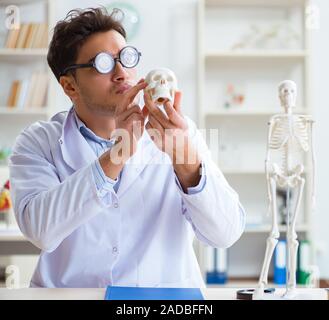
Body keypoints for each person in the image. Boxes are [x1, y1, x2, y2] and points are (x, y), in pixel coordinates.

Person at [9, 7, 245, 288]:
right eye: (103, 64)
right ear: (70, 86)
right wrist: (117, 155)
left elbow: (225, 233)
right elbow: (41, 230)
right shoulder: (38, 142)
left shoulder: (178, 132)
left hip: (159, 302)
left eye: (125, 57)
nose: (122, 73)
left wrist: (186, 161)